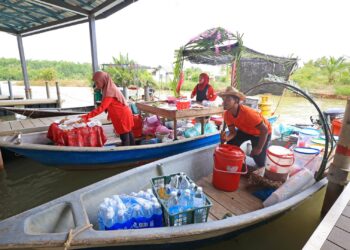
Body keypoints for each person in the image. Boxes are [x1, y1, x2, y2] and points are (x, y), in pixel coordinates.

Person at [218, 86, 271, 168]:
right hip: (245, 130)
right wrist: (226, 138)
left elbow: (265, 130)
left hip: (261, 133)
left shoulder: (248, 113)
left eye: (228, 99)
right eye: (223, 100)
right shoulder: (227, 114)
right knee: (231, 143)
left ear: (236, 100)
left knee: (258, 158)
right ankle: (234, 162)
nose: (224, 103)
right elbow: (232, 132)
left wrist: (259, 148)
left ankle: (260, 169)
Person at [80, 71, 135, 146]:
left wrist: (85, 117)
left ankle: (127, 152)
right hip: (123, 113)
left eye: (97, 82)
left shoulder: (110, 91)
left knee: (124, 135)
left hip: (121, 115)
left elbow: (101, 108)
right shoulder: (109, 87)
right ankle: (132, 149)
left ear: (103, 80)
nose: (96, 84)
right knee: (128, 132)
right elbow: (113, 104)